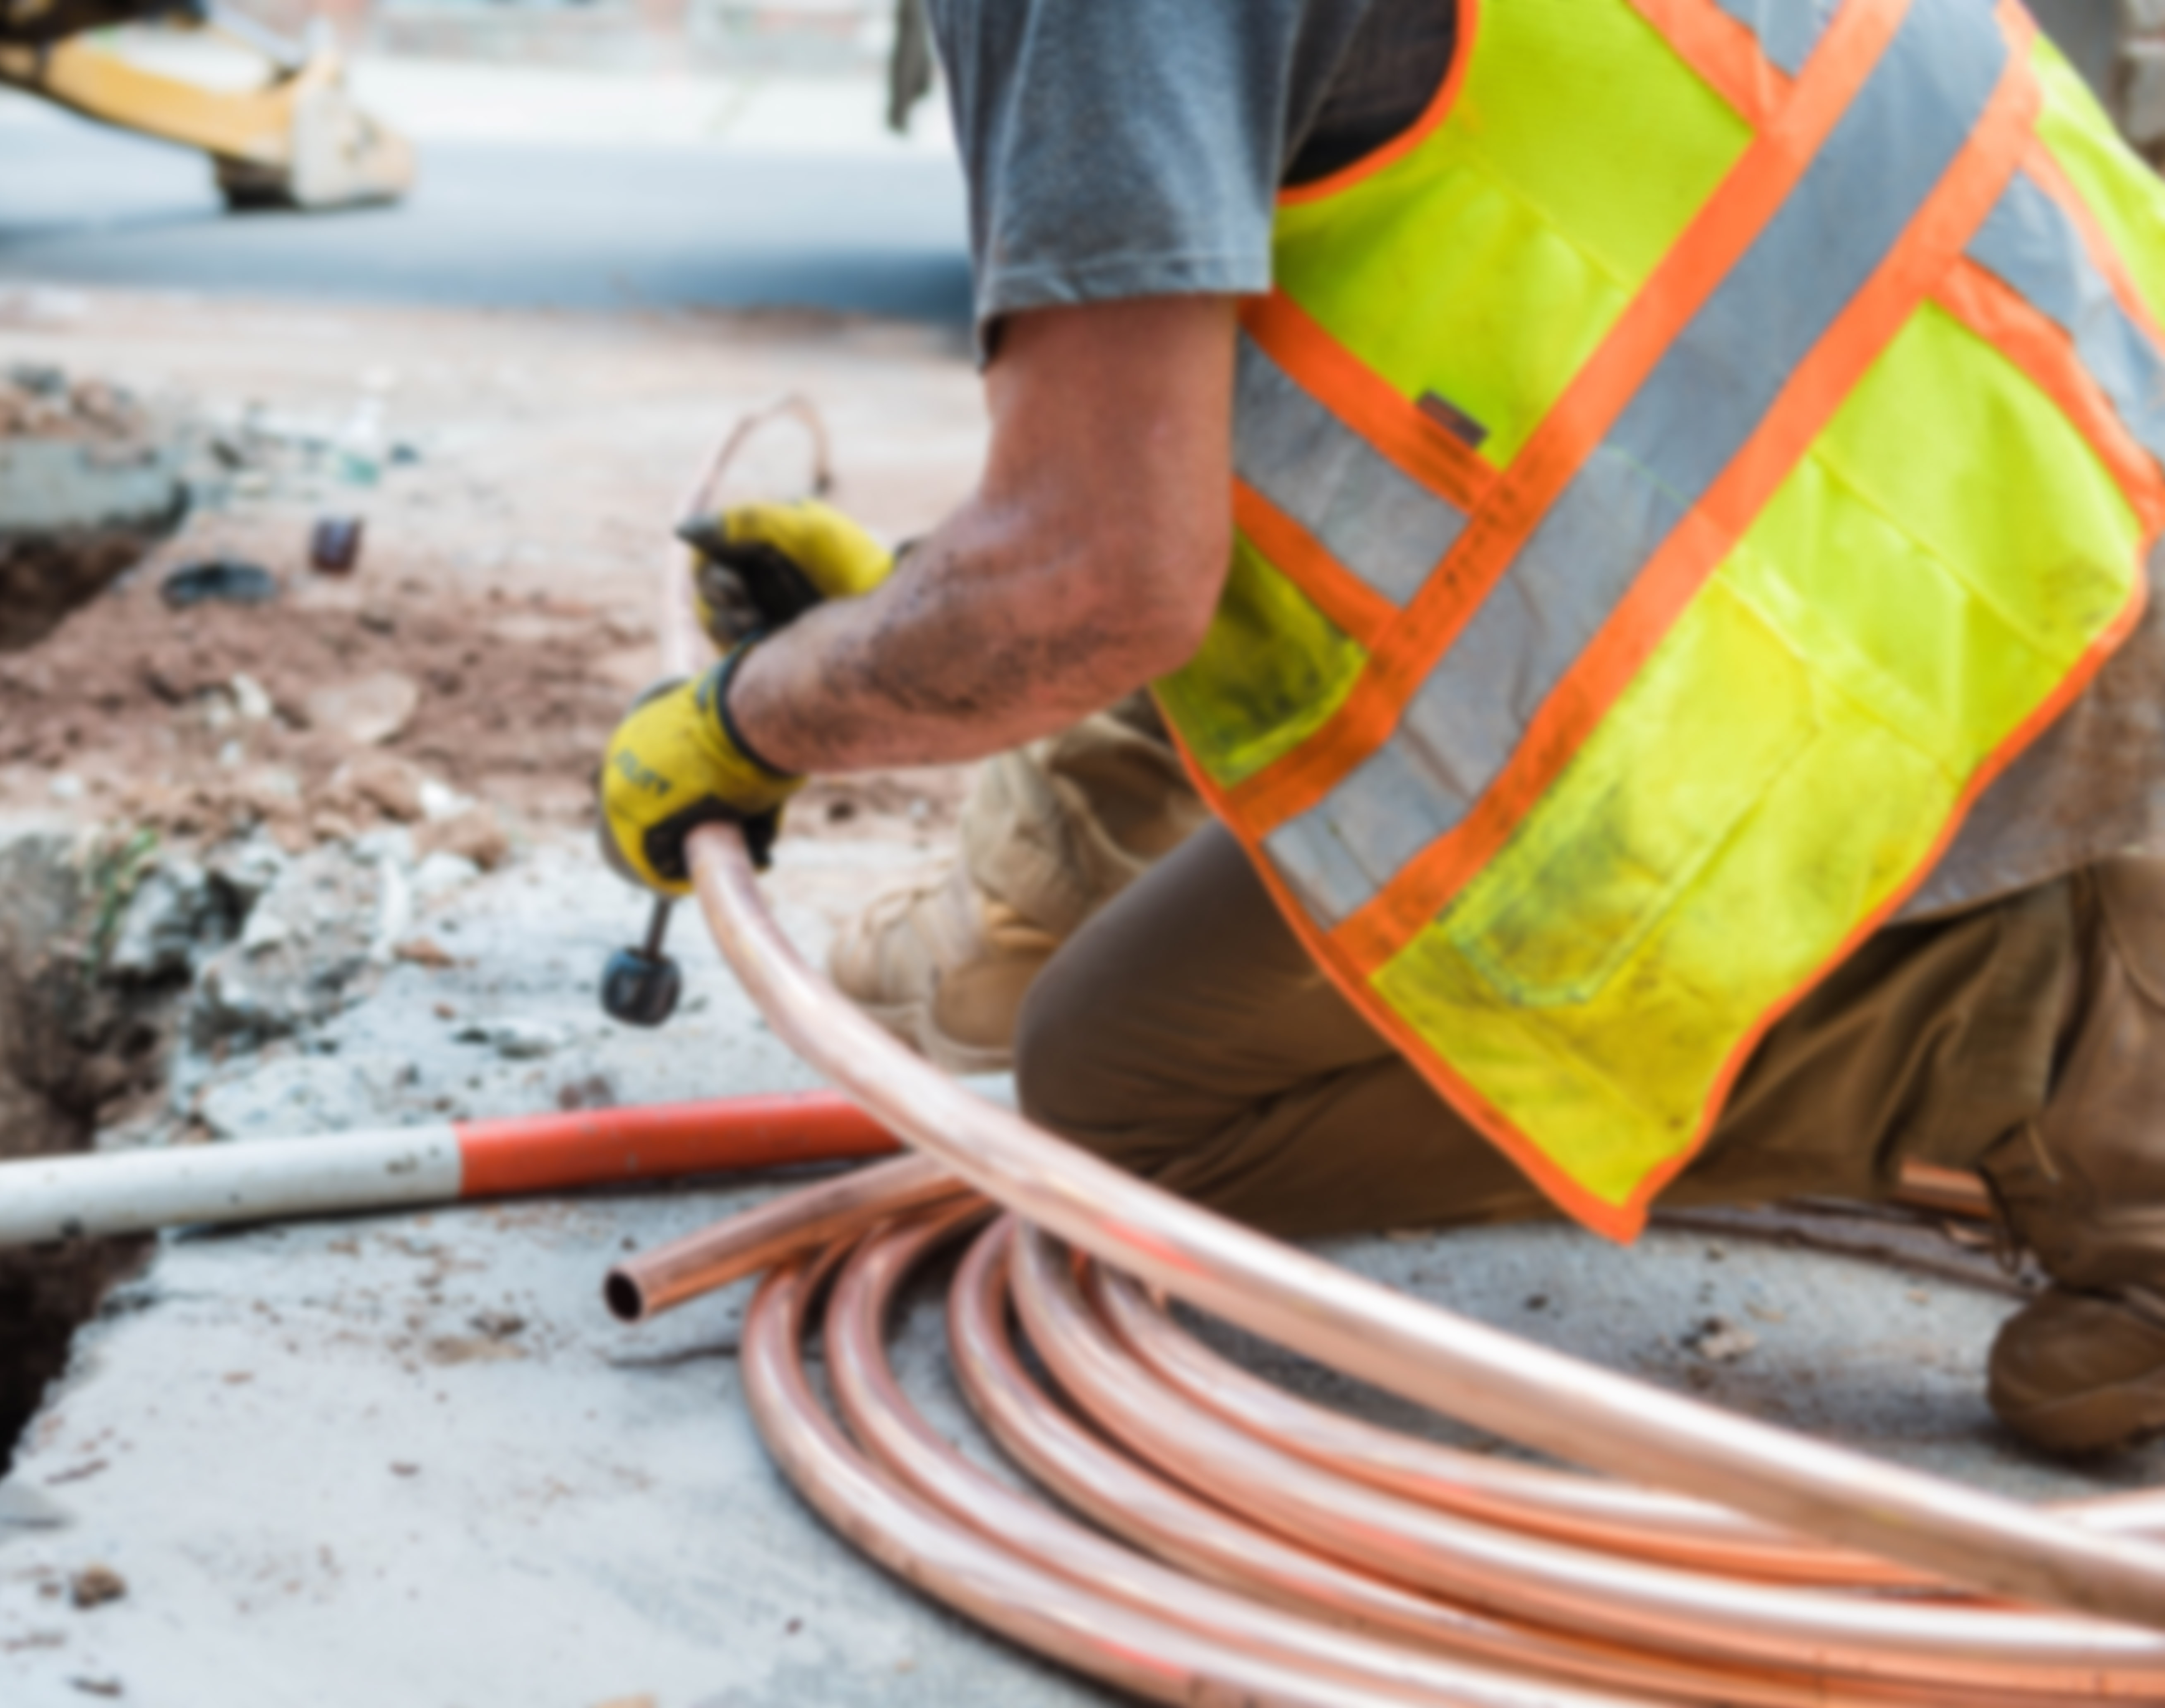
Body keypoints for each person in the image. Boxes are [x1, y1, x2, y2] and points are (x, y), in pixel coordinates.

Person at [600, 0, 2165, 1456]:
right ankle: (1037, 894)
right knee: (1062, 970)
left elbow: (1097, 580)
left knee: (1123, 1107)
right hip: (2051, 460)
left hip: (2002, 619)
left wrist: (757, 716)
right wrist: (936, 601)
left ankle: (2055, 1034)